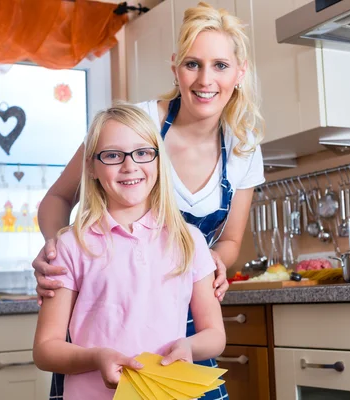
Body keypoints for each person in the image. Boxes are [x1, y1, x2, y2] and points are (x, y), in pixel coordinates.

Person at [32, 2, 265, 399]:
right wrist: (59, 249)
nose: (205, 79)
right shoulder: (131, 128)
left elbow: (228, 243)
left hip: (181, 334)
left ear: (239, 72)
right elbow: (57, 197)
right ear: (176, 68)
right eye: (193, 64)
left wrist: (213, 265)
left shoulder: (243, 149)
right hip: (103, 338)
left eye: (220, 65)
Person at [33, 103, 226, 400]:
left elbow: (215, 335)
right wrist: (96, 358)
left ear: (159, 160)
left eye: (143, 152)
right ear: (90, 166)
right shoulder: (70, 246)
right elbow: (46, 350)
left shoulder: (190, 240)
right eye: (112, 155)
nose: (130, 166)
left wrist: (190, 346)